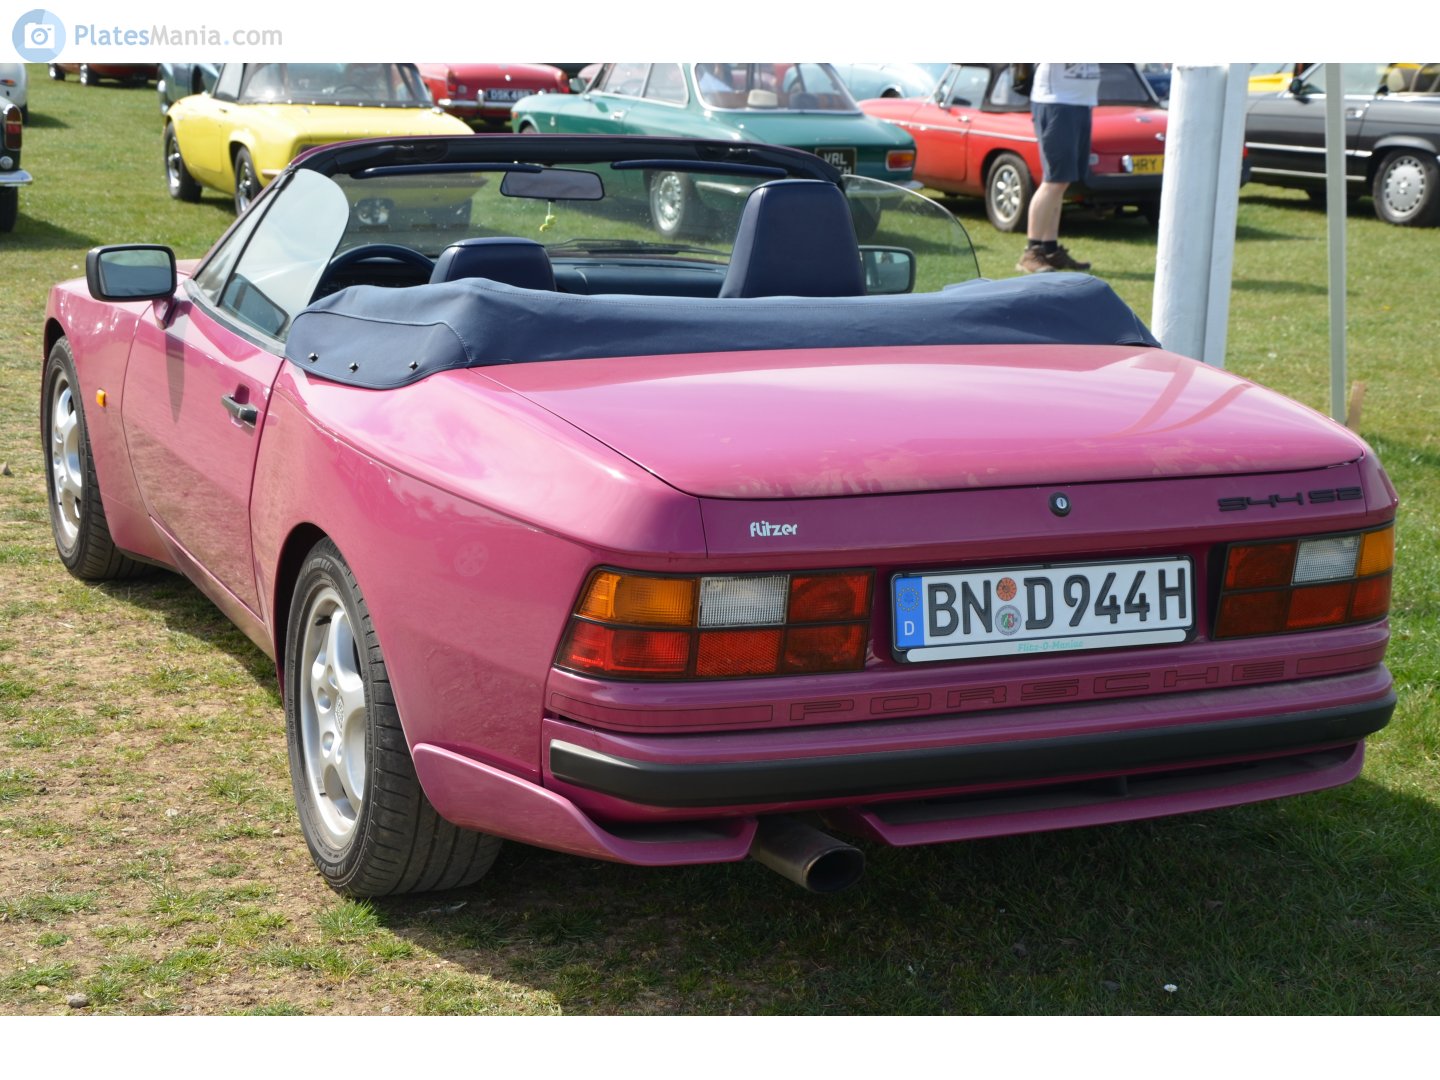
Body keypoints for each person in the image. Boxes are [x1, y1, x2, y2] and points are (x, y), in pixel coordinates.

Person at [1017, 63, 1100, 274]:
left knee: (1061, 181)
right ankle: (1031, 252)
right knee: (1055, 181)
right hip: (1056, 102)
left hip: (1080, 102)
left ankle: (1050, 250)